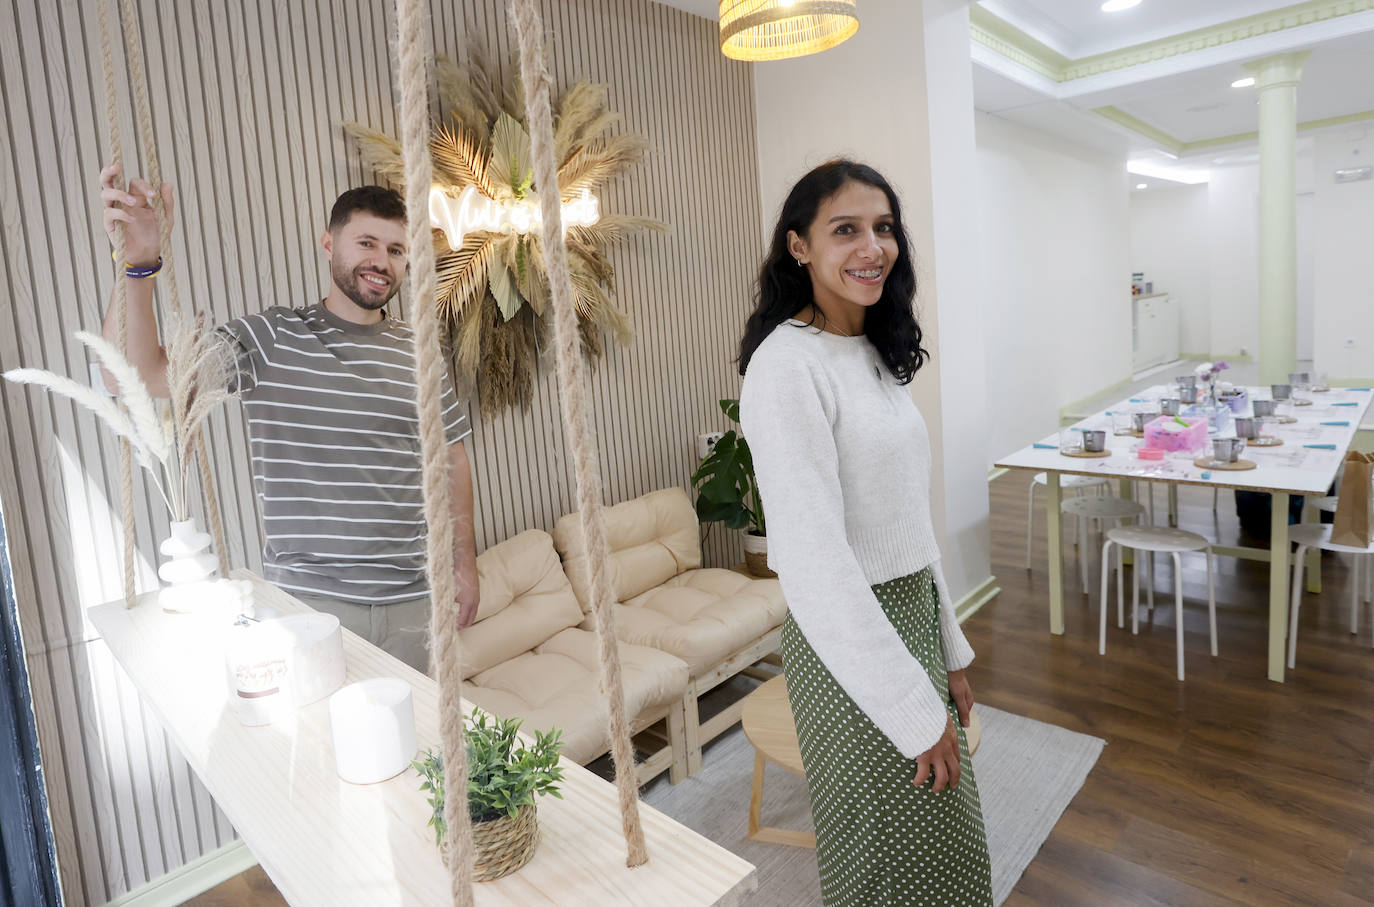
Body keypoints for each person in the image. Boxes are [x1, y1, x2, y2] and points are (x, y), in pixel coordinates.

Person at [97, 164, 480, 673]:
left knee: (417, 750)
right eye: (366, 243)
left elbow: (451, 458)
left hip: (416, 601)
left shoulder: (419, 350)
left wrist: (465, 563)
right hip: (309, 607)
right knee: (318, 751)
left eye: (396, 250)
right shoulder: (272, 338)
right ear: (329, 244)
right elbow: (140, 375)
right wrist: (140, 261)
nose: (381, 262)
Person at [738, 159, 993, 906]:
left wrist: (947, 653)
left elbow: (909, 525)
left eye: (883, 228)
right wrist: (911, 709)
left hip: (909, 619)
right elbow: (816, 566)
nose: (872, 247)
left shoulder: (876, 355)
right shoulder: (786, 368)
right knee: (890, 866)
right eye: (844, 229)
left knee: (950, 853)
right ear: (799, 247)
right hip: (850, 645)